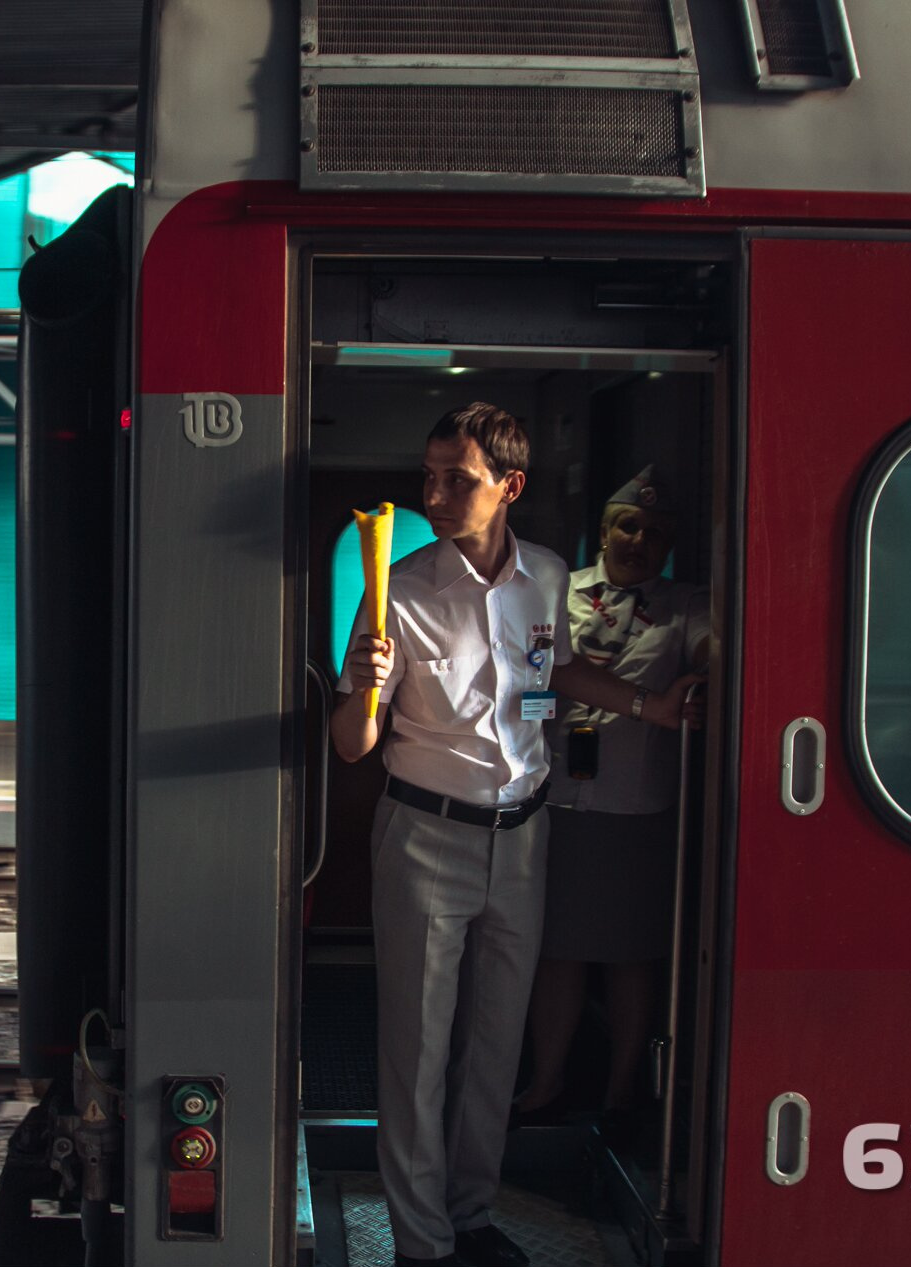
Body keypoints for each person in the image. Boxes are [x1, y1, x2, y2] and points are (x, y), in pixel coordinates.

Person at [333, 404, 697, 1267]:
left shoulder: (544, 576)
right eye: (429, 476)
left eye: (457, 479)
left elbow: (557, 669)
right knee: (418, 1052)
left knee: (496, 1042)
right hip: (426, 833)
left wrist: (650, 706)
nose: (435, 493)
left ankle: (470, 1213)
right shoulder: (402, 589)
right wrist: (362, 686)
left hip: (524, 834)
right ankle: (422, 1244)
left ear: (511, 487)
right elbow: (353, 746)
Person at [514, 466, 711, 1141]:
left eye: (656, 533)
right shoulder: (557, 591)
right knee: (557, 950)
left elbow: (714, 657)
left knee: (632, 953)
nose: (639, 540)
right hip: (556, 797)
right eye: (628, 525)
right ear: (603, 530)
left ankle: (625, 1088)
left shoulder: (687, 605)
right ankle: (548, 1083)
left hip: (636, 806)